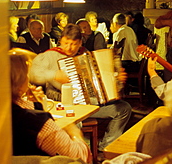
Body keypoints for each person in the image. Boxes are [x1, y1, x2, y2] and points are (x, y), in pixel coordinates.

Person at [29, 24, 132, 152]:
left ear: (80, 43)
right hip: (63, 104)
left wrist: (117, 79)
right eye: (66, 43)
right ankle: (77, 153)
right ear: (61, 40)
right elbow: (32, 74)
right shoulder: (50, 56)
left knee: (123, 109)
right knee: (74, 121)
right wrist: (54, 74)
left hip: (89, 104)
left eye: (74, 44)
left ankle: (106, 146)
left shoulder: (85, 55)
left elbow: (103, 80)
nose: (69, 47)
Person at [10, 48, 91, 162]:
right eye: (27, 75)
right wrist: (74, 131)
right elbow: (79, 155)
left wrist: (36, 105)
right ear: (19, 85)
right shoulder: (40, 124)